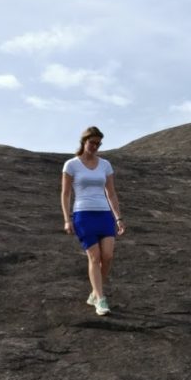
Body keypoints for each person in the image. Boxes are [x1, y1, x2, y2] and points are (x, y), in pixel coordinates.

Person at [61, 126, 126, 315]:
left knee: (108, 256)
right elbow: (65, 194)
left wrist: (118, 217)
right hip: (83, 214)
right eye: (92, 143)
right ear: (84, 142)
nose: (95, 146)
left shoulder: (105, 164)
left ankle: (94, 293)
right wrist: (67, 219)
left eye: (98, 144)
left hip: (104, 214)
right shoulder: (71, 165)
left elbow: (111, 193)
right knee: (94, 257)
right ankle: (100, 299)